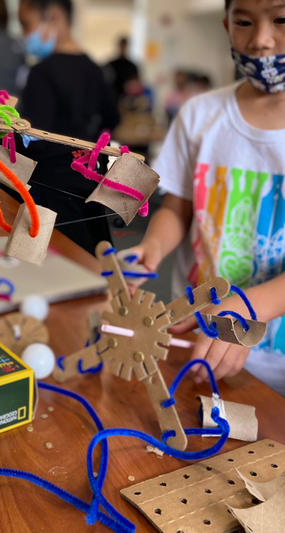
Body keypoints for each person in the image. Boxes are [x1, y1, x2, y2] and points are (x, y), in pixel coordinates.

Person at [128, 0, 285, 396]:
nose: (262, 39)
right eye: (244, 22)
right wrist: (153, 245)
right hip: (197, 338)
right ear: (226, 25)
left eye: (281, 19)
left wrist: (248, 307)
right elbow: (178, 208)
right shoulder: (200, 115)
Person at [13, 0, 120, 255]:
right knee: (92, 264)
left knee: (45, 267)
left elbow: (35, 138)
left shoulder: (41, 73)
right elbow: (112, 118)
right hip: (89, 186)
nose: (24, 34)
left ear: (54, 16)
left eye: (26, 24)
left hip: (46, 195)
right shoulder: (95, 69)